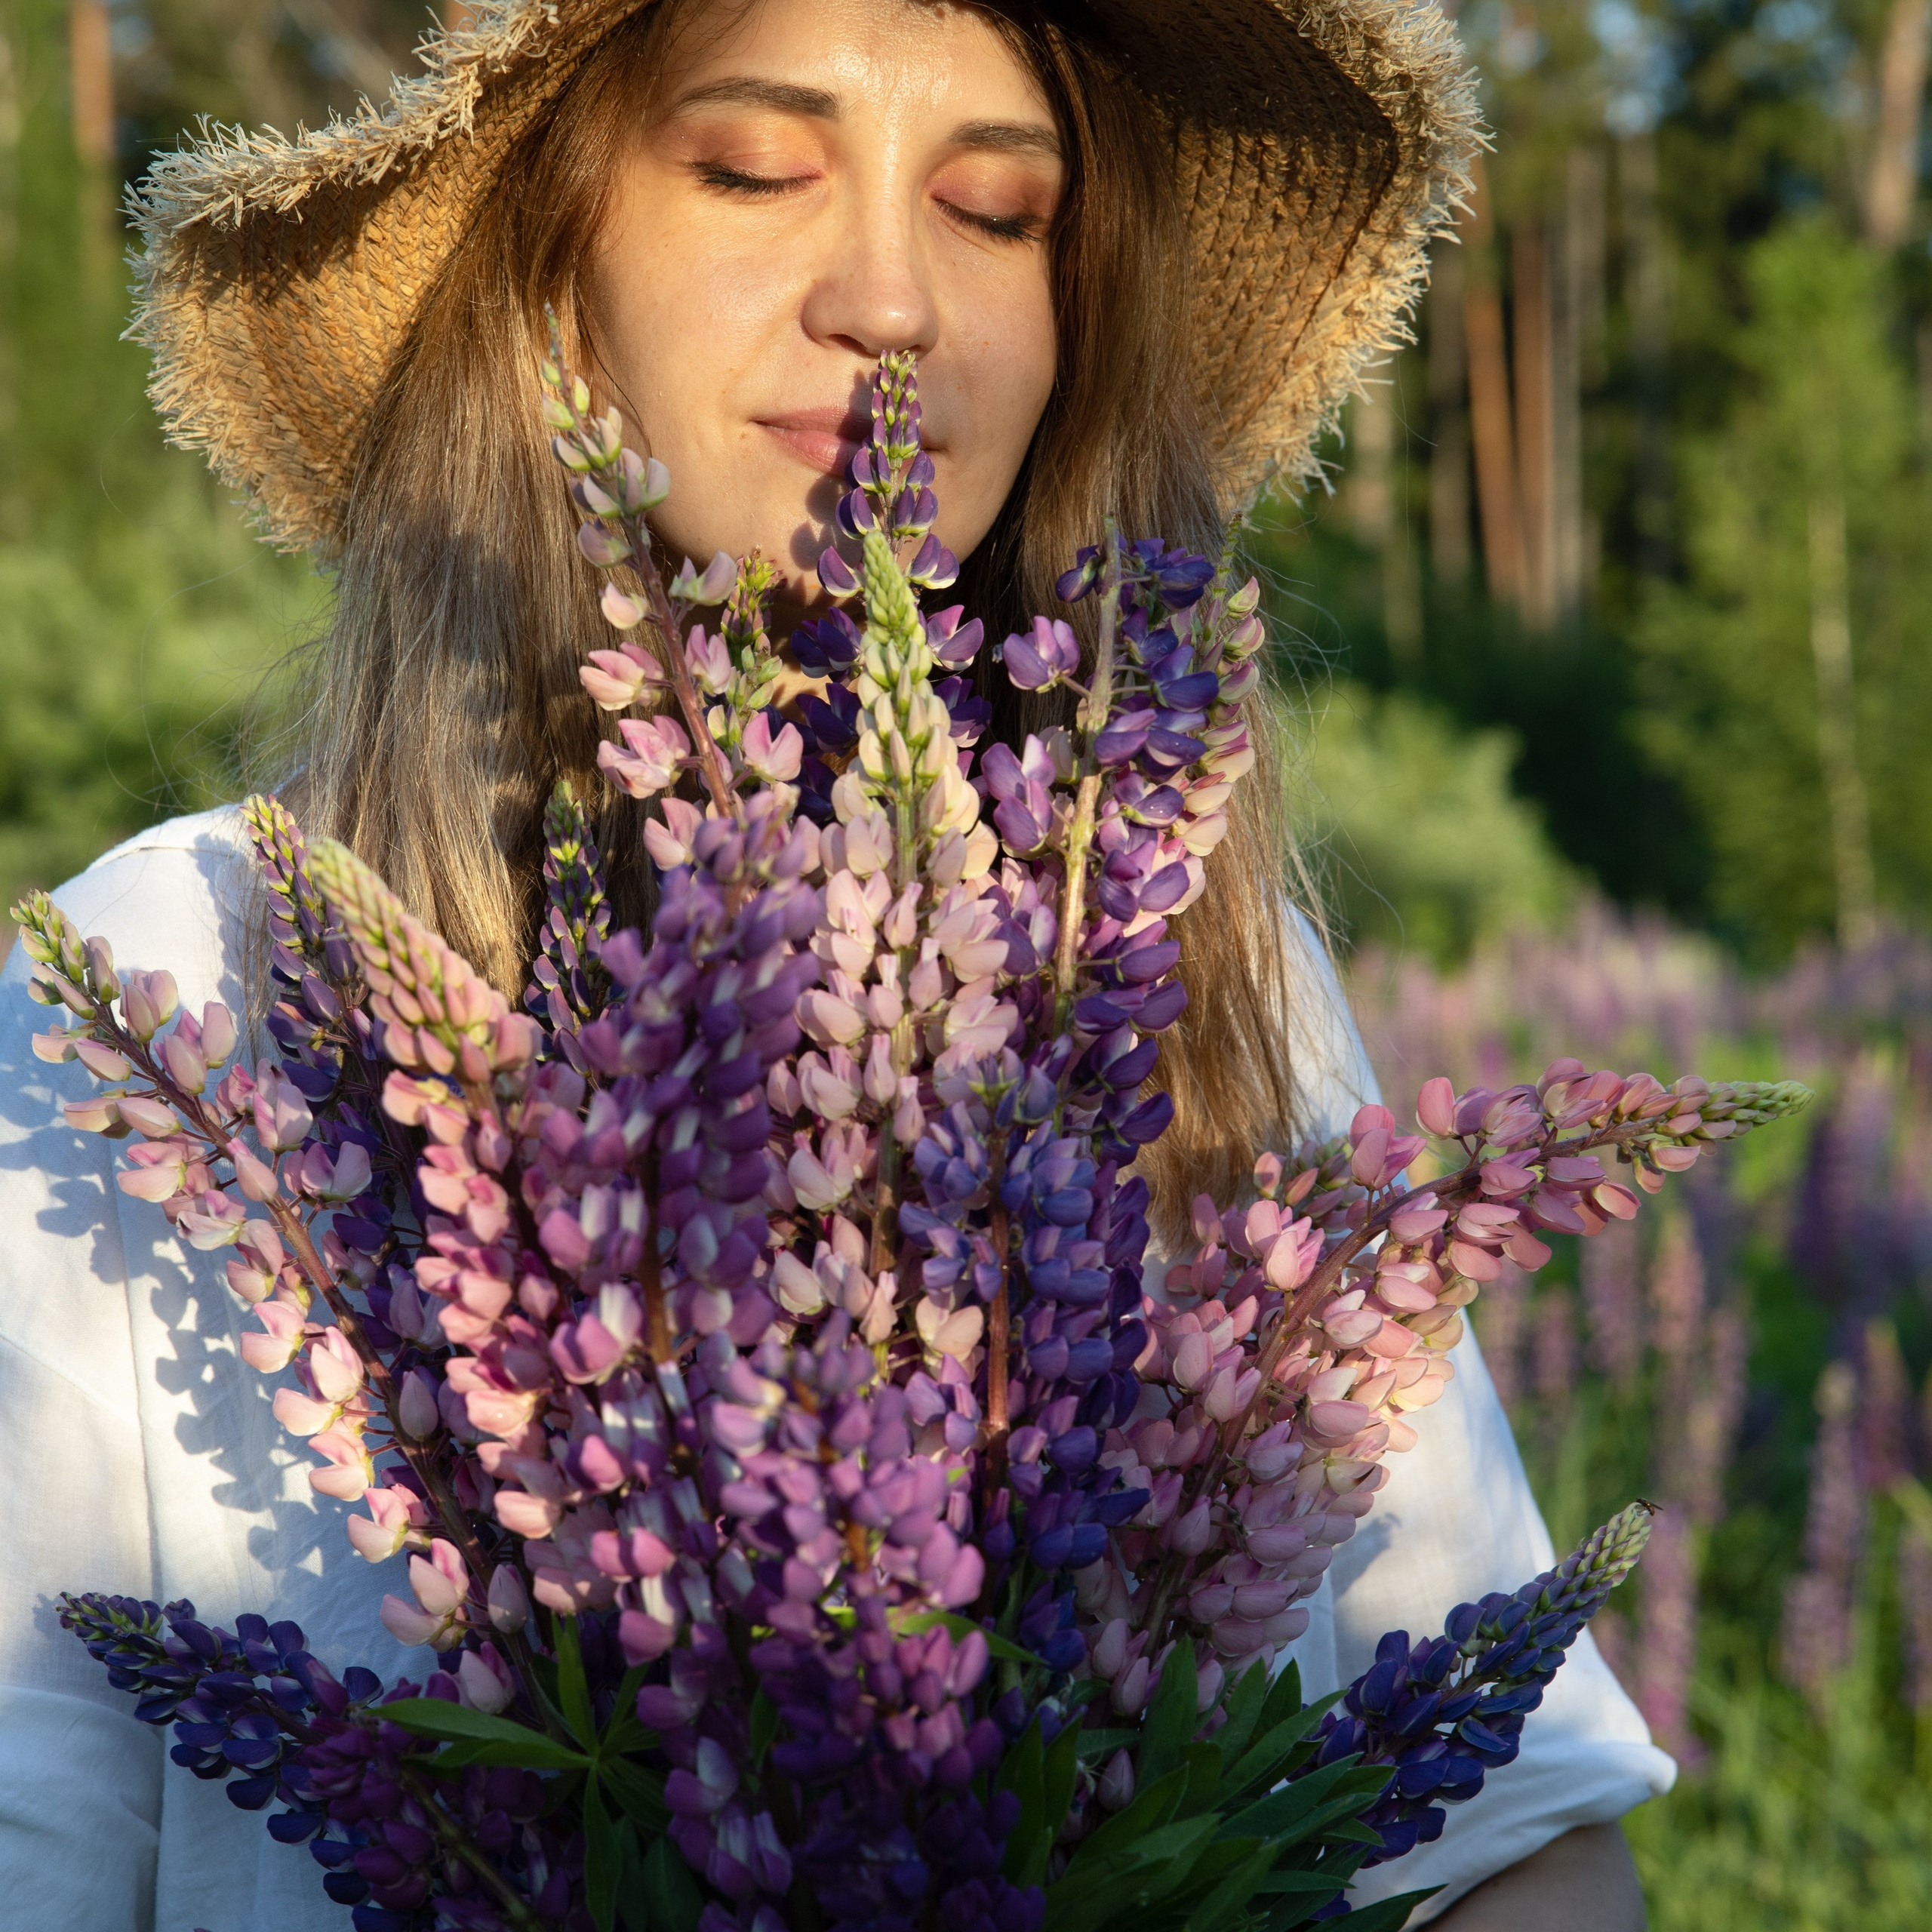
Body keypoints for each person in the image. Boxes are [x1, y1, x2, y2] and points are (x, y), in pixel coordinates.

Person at [0, 1, 1669, 1925]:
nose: (890, 296)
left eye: (995, 210)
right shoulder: (170, 978)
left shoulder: (1202, 957)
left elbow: (1520, 1840)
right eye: (750, 169)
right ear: (545, 280)